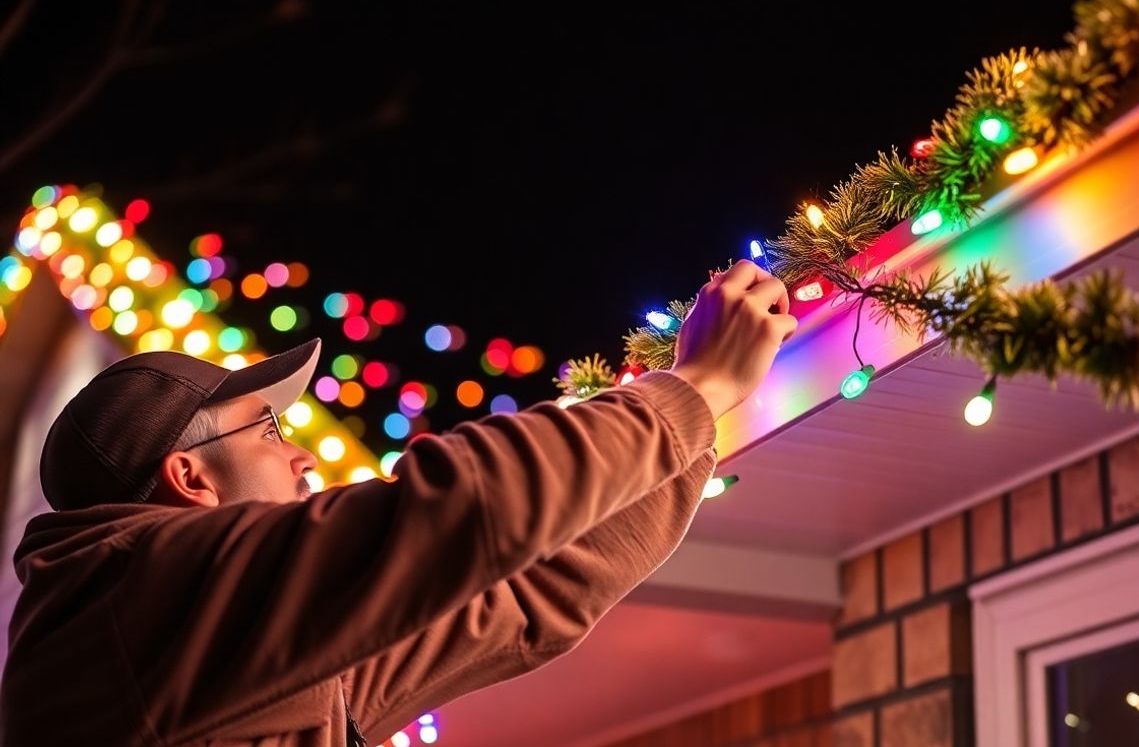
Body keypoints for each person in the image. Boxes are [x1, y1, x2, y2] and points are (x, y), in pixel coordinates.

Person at [0, 259, 797, 746]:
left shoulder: (240, 652)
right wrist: (696, 387)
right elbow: (455, 509)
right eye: (268, 429)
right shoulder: (134, 610)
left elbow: (526, 597)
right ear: (192, 478)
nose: (299, 452)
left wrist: (700, 420)